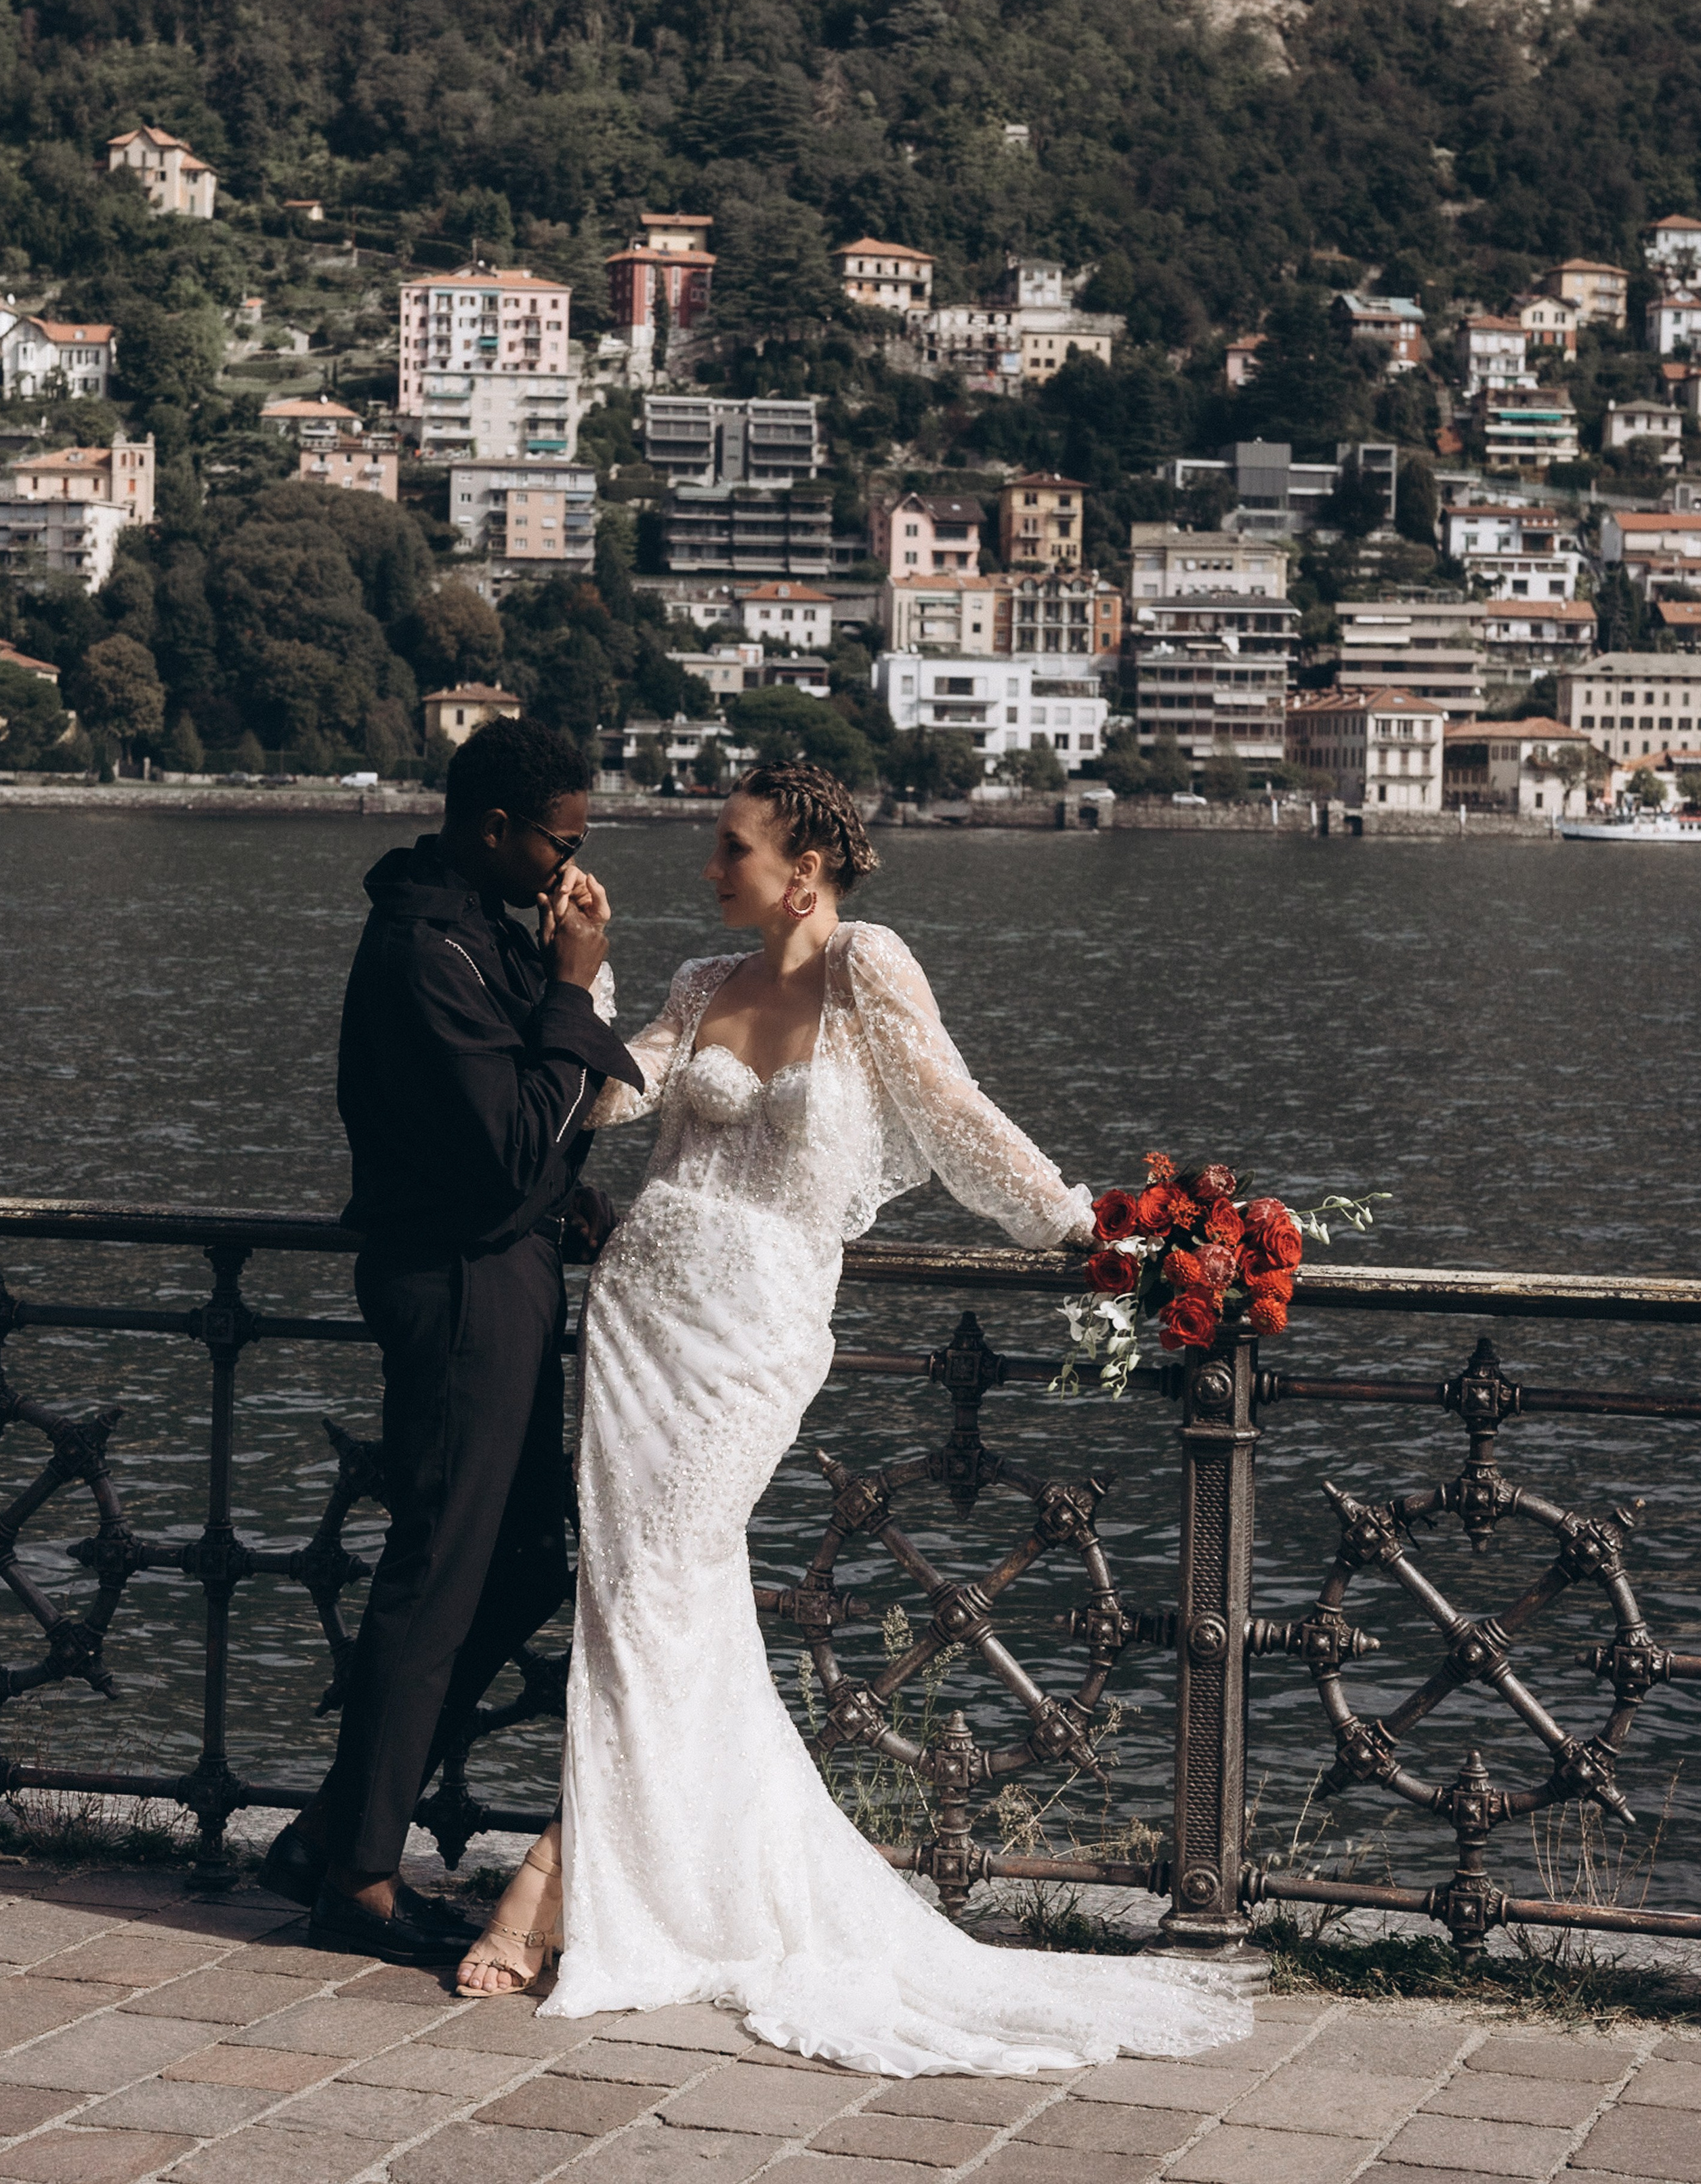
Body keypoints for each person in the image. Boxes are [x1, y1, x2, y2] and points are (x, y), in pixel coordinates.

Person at [455, 760, 1250, 2073]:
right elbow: (604, 1097)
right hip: (641, 1319)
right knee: (643, 1594)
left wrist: (1086, 1229)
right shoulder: (699, 986)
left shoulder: (867, 966)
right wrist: (577, 982)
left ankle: (551, 1885)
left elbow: (950, 1113)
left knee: (657, 1584)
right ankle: (617, 1879)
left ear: (802, 870)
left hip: (756, 1332)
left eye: (729, 849)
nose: (707, 871)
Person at [259, 718, 642, 1965]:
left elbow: (518, 1134)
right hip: (462, 1284)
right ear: (495, 828)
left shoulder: (478, 930)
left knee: (524, 1559)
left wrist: (549, 972)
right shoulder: (427, 948)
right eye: (561, 842)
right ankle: (361, 1874)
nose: (569, 867)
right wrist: (576, 982)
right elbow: (513, 1138)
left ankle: (337, 1823)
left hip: (506, 1269)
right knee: (439, 1566)